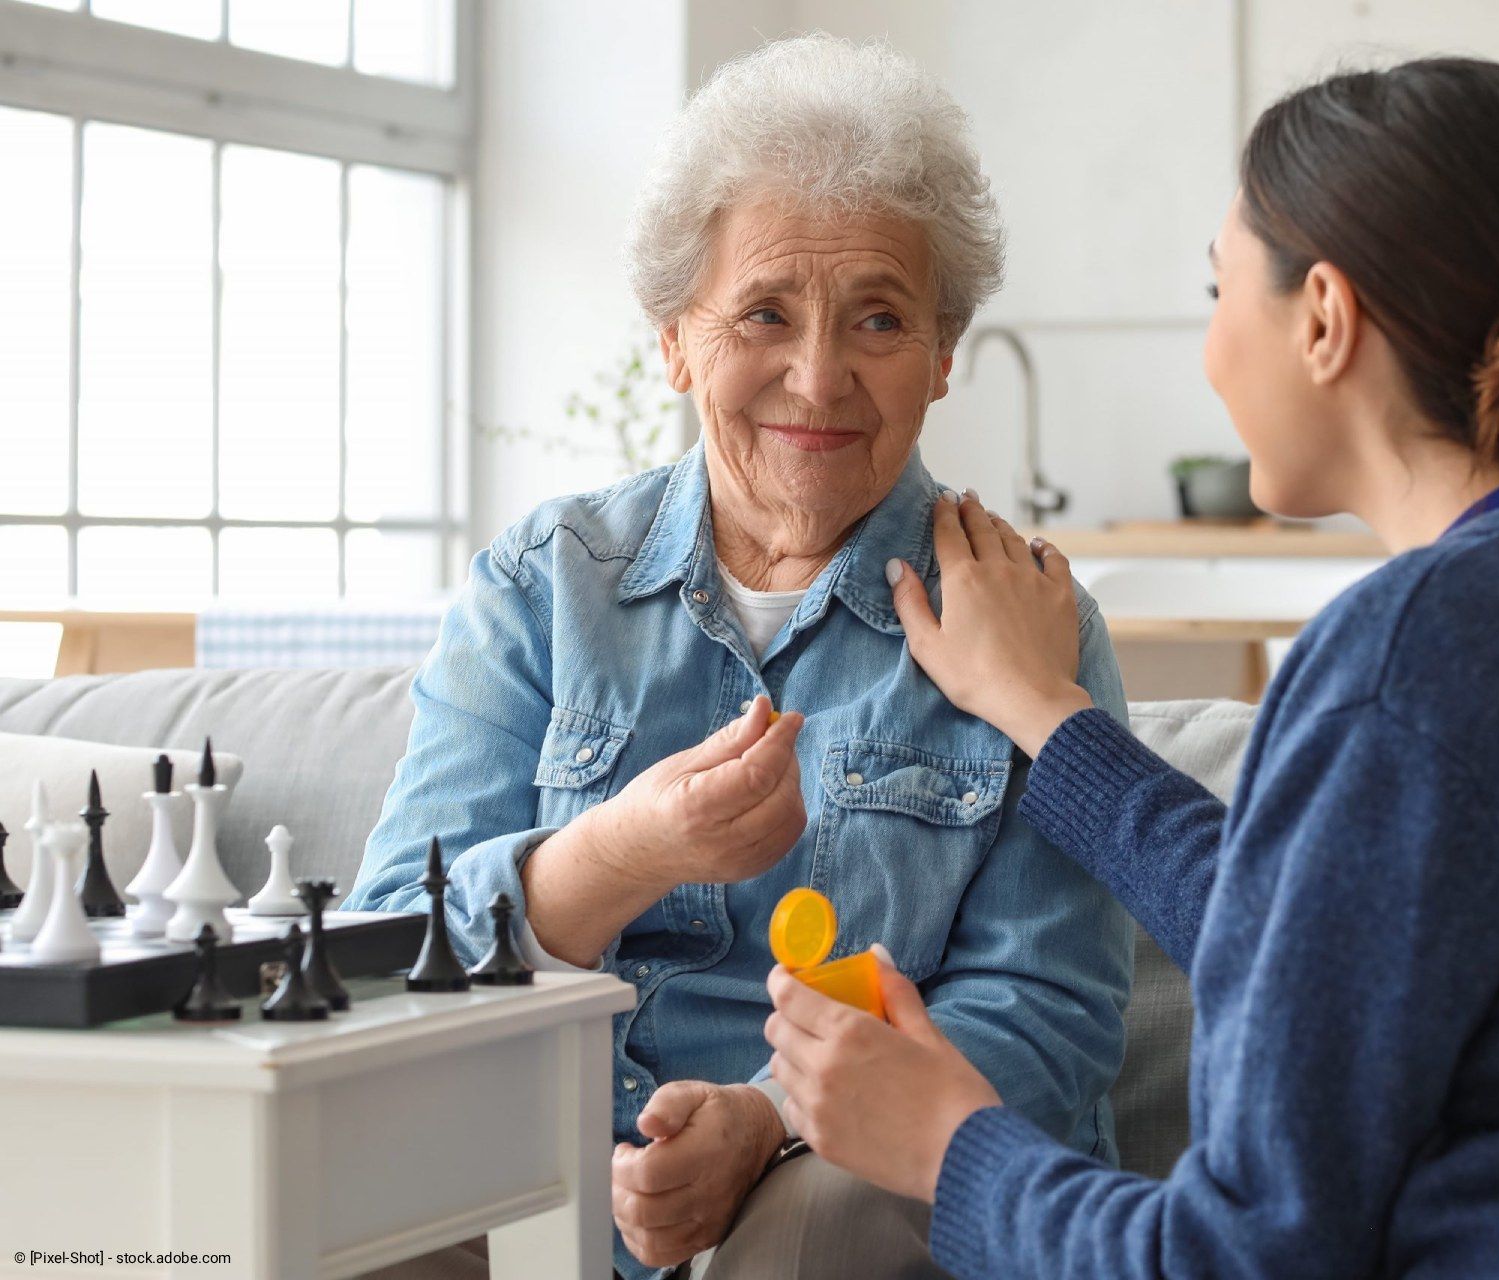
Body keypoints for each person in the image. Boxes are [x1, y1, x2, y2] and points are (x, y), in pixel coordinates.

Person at [763, 57, 1499, 1278]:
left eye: (1217, 289)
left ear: (1326, 318)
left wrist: (945, 1139)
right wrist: (1045, 712)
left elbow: (1239, 1256)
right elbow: (1318, 930)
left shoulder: (1410, 657)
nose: (1210, 355)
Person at [344, 35, 1132, 1280]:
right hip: (548, 1179)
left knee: (826, 1221)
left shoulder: (1028, 619)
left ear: (939, 355)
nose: (818, 377)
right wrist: (622, 850)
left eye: (878, 316)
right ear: (676, 342)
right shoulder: (540, 588)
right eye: (764, 311)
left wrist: (769, 1119)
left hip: (846, 1194)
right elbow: (386, 944)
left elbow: (1050, 1009)